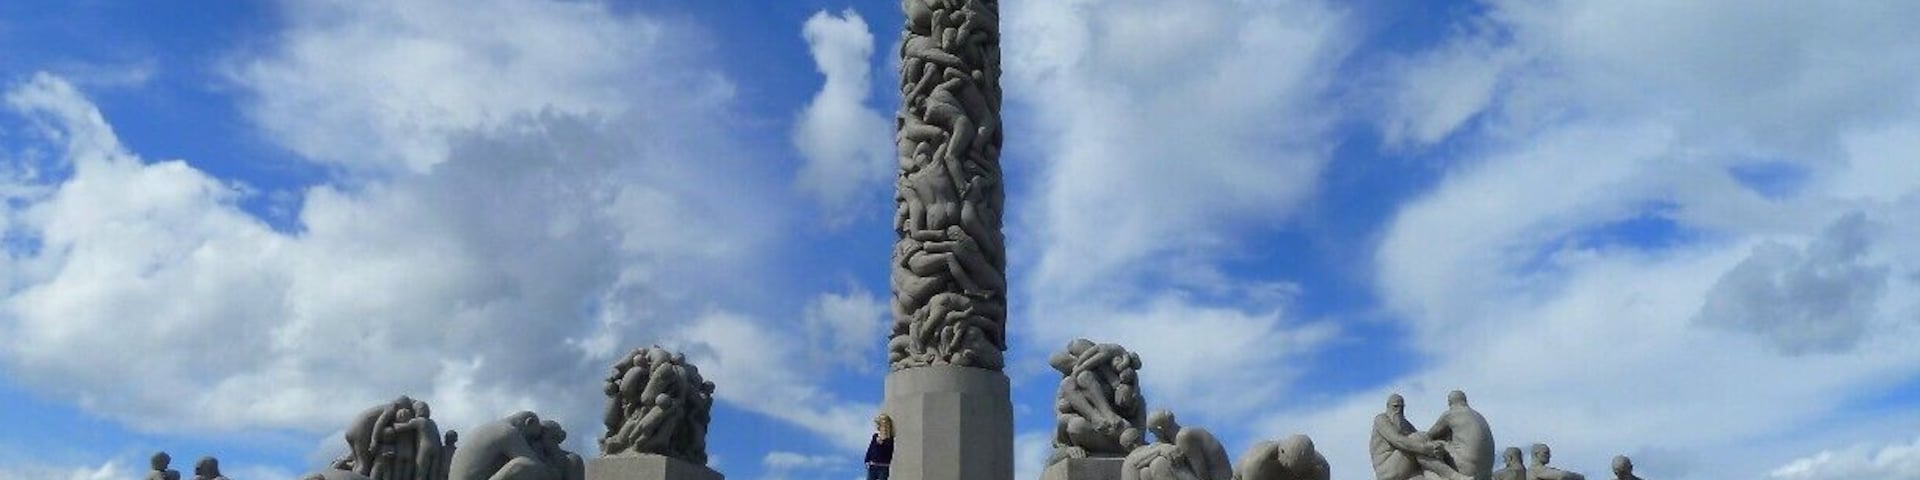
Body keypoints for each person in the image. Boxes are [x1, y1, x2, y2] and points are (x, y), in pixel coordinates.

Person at [1426, 391, 1496, 480]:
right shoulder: (1478, 415)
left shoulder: (1451, 414)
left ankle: (1450, 476)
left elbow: (1429, 435)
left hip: (1467, 469)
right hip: (1486, 473)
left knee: (1431, 446)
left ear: (1449, 402)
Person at [865, 414, 895, 480]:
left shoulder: (890, 439)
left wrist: (882, 444)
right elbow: (870, 449)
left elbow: (889, 452)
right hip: (873, 466)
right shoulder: (875, 436)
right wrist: (867, 460)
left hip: (883, 467)